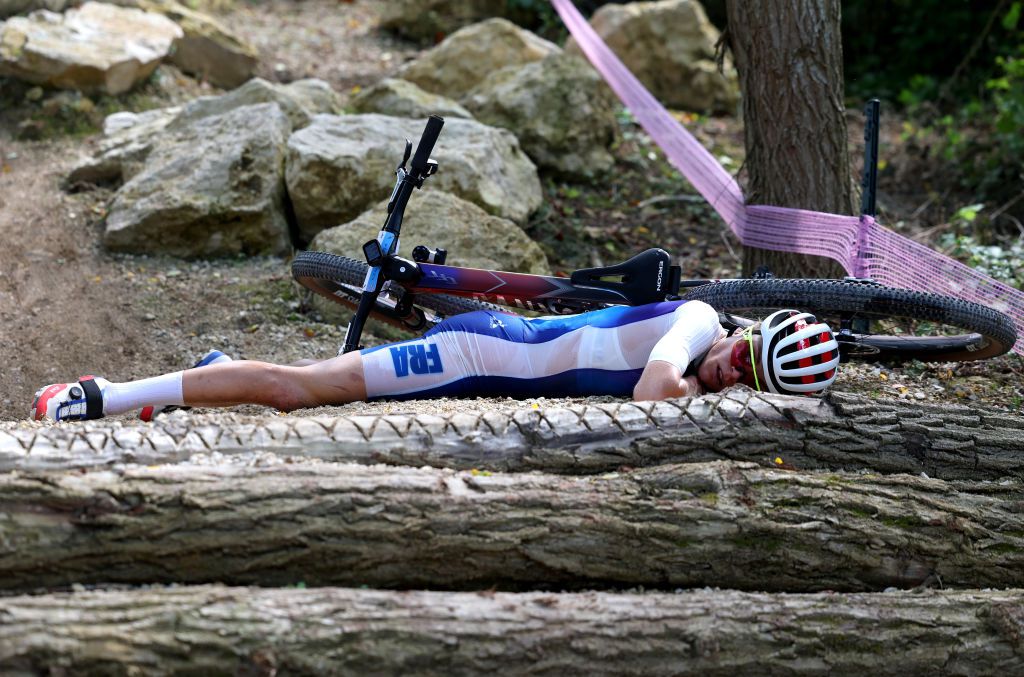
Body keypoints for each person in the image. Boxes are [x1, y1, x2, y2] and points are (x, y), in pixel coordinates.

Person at [30, 301, 841, 422]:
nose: (734, 372)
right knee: (297, 390)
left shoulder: (717, 360)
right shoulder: (698, 322)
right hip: (476, 348)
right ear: (746, 330)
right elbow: (653, 386)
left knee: (294, 381)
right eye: (747, 357)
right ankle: (97, 393)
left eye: (752, 380)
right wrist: (709, 385)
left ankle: (213, 370)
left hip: (496, 358)